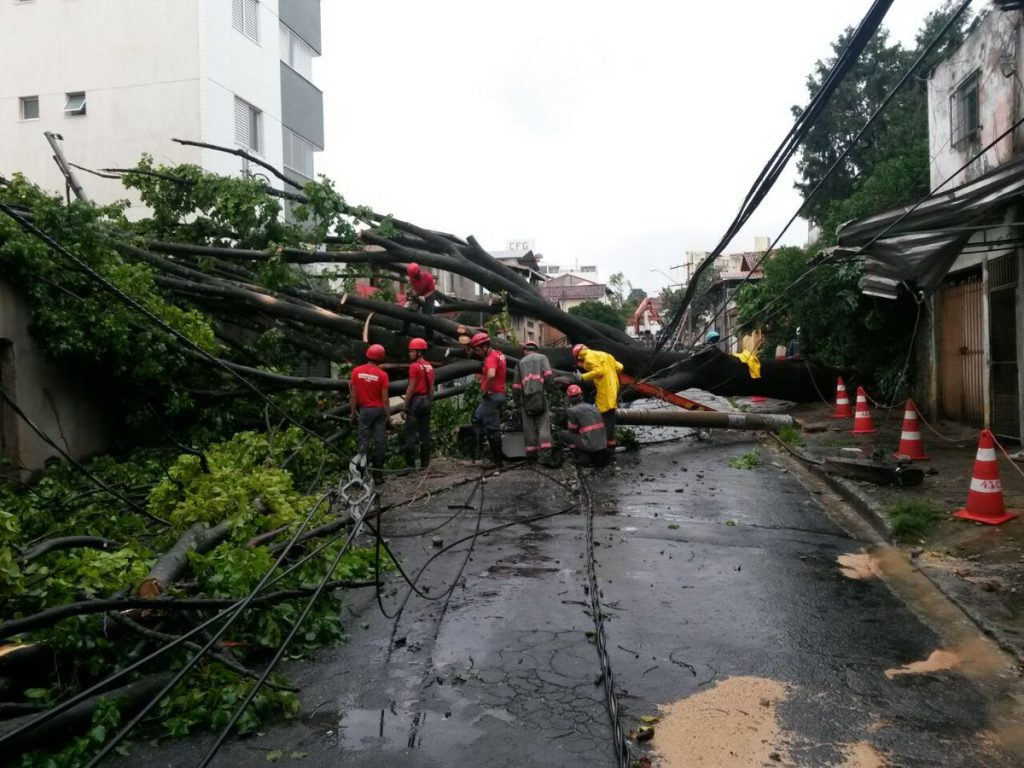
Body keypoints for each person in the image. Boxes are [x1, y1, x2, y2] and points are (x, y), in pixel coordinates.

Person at [350, 344, 391, 483]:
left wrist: (352, 414)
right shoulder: (383, 375)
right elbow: (385, 399)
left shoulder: (356, 372)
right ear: (381, 358)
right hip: (379, 412)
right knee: (380, 441)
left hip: (365, 411)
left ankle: (360, 475)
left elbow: (353, 396)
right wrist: (388, 416)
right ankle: (378, 475)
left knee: (363, 442)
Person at [572, 344, 623, 451]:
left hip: (605, 390)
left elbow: (599, 371)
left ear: (579, 357)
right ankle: (611, 443)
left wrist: (582, 377)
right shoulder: (604, 355)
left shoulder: (588, 356)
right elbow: (620, 367)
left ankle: (604, 445)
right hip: (614, 388)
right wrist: (611, 375)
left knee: (603, 416)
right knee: (610, 417)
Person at [512, 340, 554, 465]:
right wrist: (550, 391)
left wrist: (516, 402)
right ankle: (545, 456)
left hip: (526, 400)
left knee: (528, 428)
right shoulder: (542, 358)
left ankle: (531, 456)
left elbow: (516, 386)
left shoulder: (520, 363)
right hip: (540, 397)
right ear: (536, 349)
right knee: (544, 426)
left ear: (525, 350)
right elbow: (548, 376)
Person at [470, 331, 506, 468]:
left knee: (492, 428)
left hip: (492, 395)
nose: (477, 353)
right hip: (498, 394)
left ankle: (497, 460)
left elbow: (491, 375)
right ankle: (481, 452)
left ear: (484, 346)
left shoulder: (491, 357)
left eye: (478, 350)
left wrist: (486, 390)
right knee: (477, 417)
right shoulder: (498, 354)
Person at [558, 384, 609, 467]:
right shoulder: (593, 407)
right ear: (581, 395)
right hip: (603, 445)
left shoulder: (572, 411)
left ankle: (582, 457)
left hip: (590, 445)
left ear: (569, 397)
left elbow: (572, 430)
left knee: (563, 434)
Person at [404, 337, 434, 469]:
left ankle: (410, 466)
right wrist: (430, 401)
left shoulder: (414, 367)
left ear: (419, 352)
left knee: (410, 434)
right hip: (426, 401)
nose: (409, 354)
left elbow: (411, 388)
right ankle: (424, 465)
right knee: (425, 434)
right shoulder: (429, 366)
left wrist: (405, 404)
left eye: (412, 351)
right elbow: (432, 388)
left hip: (415, 402)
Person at [402, 263, 436, 342]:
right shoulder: (412, 278)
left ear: (418, 271)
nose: (414, 277)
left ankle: (430, 338)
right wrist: (414, 294)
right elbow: (413, 287)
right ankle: (404, 331)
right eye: (412, 276)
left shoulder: (428, 277)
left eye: (415, 275)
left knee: (427, 317)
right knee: (408, 312)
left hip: (428, 297)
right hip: (418, 296)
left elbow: (432, 290)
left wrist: (424, 297)